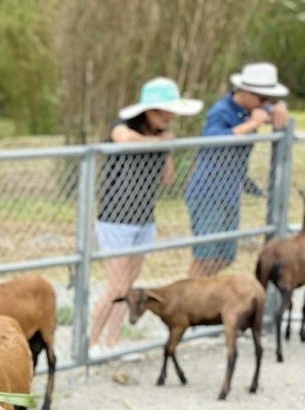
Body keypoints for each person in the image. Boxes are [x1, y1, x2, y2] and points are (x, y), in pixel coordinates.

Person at [89, 77, 202, 356]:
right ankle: (90, 344)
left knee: (128, 286)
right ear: (146, 110)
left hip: (144, 218)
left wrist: (165, 147)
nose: (167, 117)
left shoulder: (161, 137)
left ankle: (112, 342)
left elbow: (167, 179)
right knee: (116, 286)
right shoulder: (124, 127)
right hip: (115, 219)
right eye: (161, 111)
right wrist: (155, 140)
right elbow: (124, 140)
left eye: (170, 112)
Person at [184, 62, 289, 279]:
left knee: (225, 256)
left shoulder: (254, 109)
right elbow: (212, 139)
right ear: (246, 92)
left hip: (231, 194)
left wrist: (279, 108)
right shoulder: (221, 111)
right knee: (204, 255)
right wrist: (251, 125)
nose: (265, 104)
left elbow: (272, 113)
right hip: (207, 193)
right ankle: (191, 300)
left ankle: (201, 292)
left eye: (269, 99)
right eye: (262, 99)